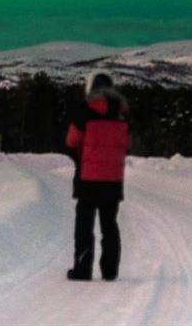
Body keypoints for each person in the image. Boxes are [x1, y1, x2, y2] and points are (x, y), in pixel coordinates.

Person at [64, 70, 129, 281]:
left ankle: (83, 269)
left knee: (84, 225)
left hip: (88, 179)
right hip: (113, 180)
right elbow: (127, 144)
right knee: (109, 225)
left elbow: (71, 141)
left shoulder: (84, 111)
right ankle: (110, 271)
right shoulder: (121, 114)